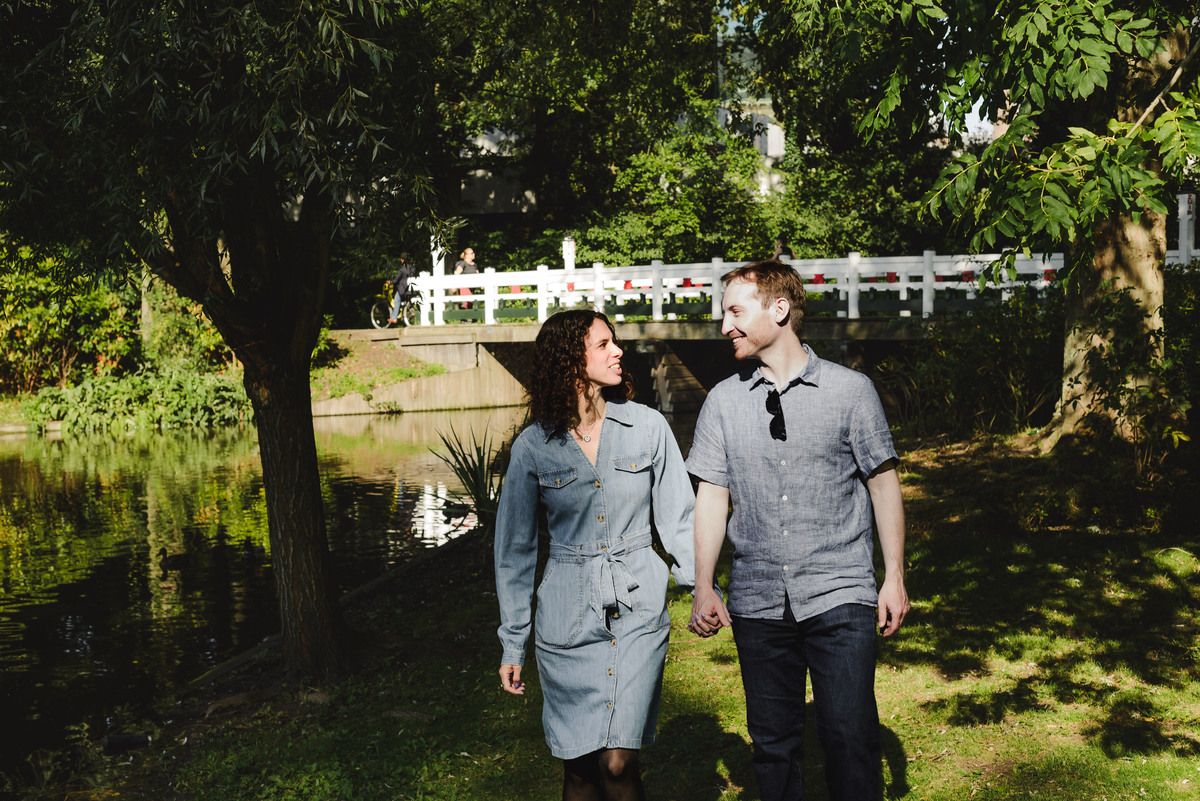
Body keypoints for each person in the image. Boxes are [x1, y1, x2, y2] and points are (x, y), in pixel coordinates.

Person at [685, 260, 909, 801]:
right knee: (773, 747)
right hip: (758, 601)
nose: (725, 326)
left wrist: (894, 576)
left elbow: (883, 484)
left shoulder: (850, 391)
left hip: (840, 593)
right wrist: (703, 584)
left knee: (850, 738)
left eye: (736, 311)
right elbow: (713, 497)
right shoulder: (721, 402)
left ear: (779, 309)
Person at [494, 309, 697, 801]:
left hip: (637, 608)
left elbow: (679, 518)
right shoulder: (533, 448)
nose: (618, 351)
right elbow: (515, 553)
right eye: (603, 344)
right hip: (566, 618)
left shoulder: (647, 427)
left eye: (615, 342)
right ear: (570, 361)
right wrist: (512, 643)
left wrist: (701, 586)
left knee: (618, 760)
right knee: (582, 767)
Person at [387, 251, 416, 324]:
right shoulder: (413, 268)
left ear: (403, 260)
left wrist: (391, 282)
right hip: (411, 290)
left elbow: (396, 280)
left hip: (403, 290)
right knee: (406, 301)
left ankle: (394, 318)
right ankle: (409, 310)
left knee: (397, 300)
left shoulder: (402, 270)